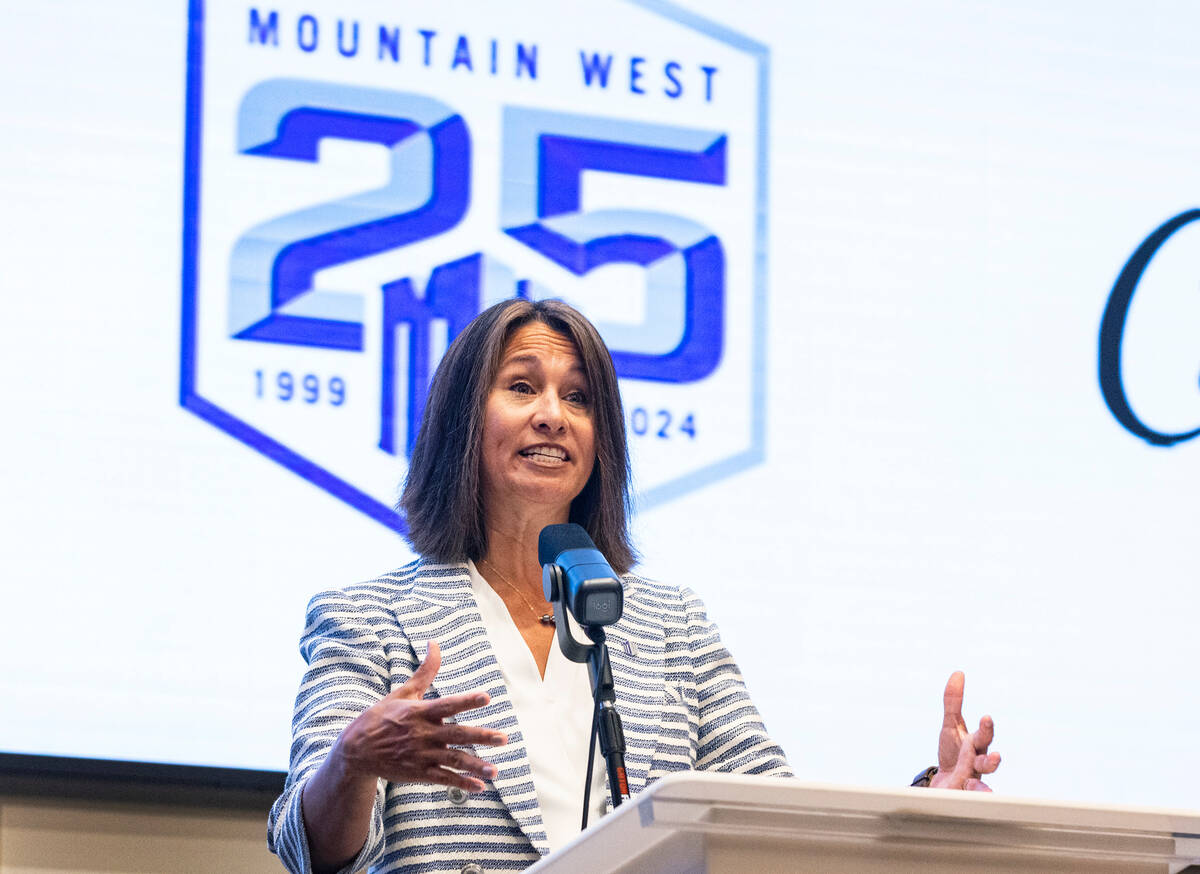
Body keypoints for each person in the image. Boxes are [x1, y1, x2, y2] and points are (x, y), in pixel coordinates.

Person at [267, 299, 1000, 874]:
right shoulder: (368, 617)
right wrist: (352, 759)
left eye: (579, 399)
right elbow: (309, 846)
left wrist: (928, 807)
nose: (553, 415)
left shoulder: (669, 622)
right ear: (463, 421)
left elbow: (772, 815)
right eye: (522, 387)